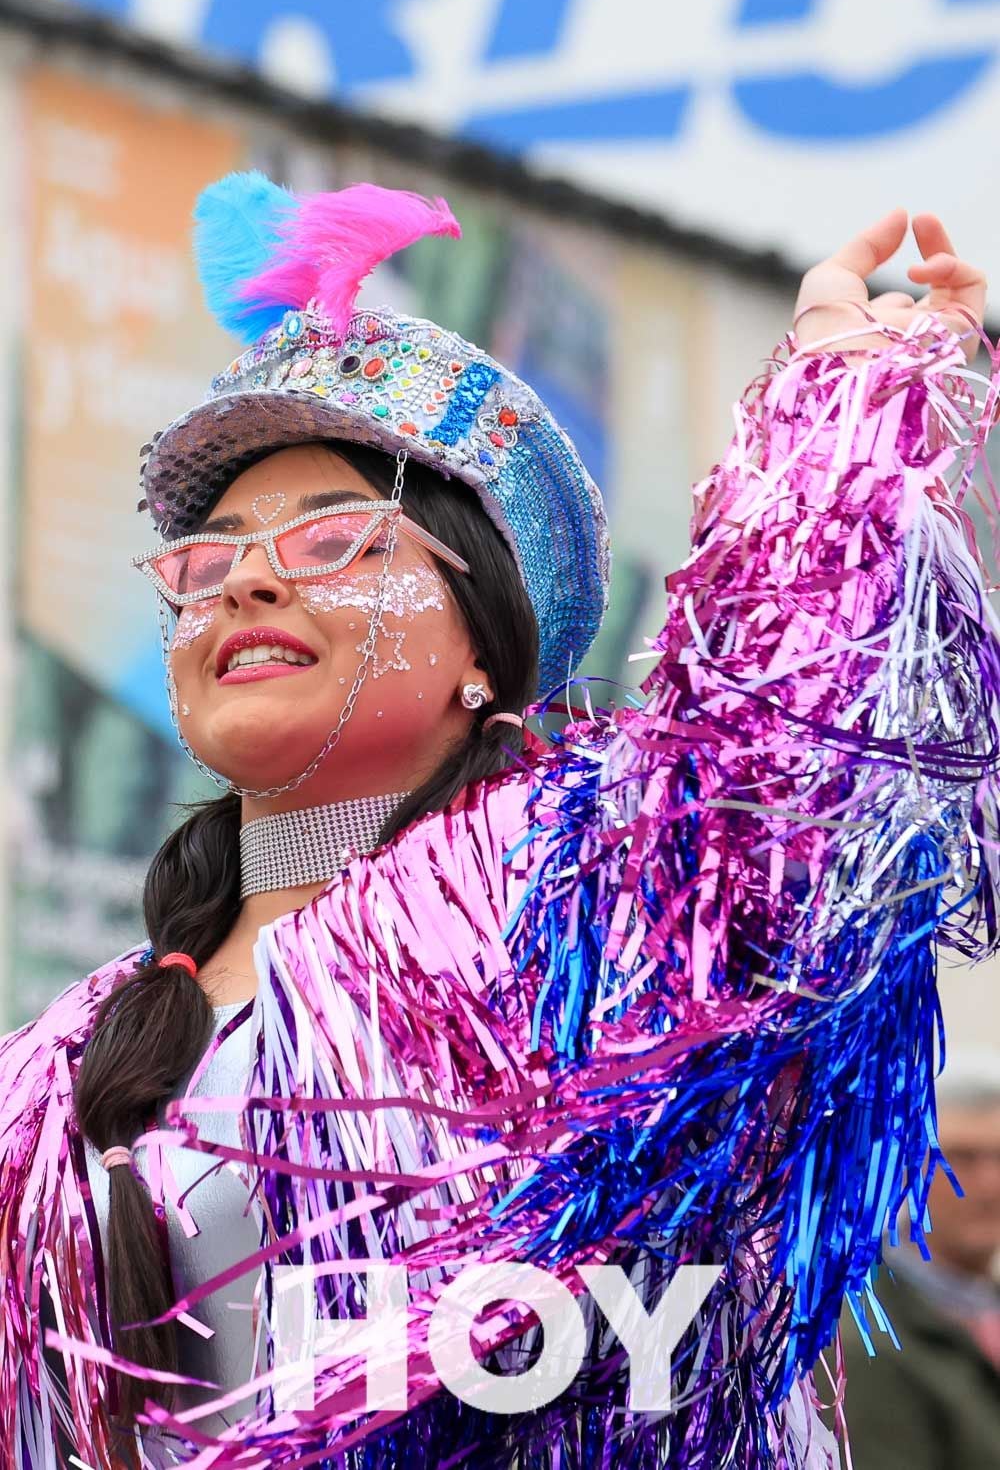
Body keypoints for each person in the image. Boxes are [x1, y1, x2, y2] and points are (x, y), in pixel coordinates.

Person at [0, 172, 997, 1470]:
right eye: (206, 557)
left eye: (329, 538)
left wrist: (841, 419)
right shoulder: (51, 1073)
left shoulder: (615, 916)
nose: (244, 576)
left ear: (488, 642)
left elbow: (800, 753)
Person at [836, 1047, 1000, 1468]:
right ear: (908, 1169)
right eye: (960, 1158)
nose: (989, 1183)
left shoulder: (984, 1307)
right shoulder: (866, 1338)